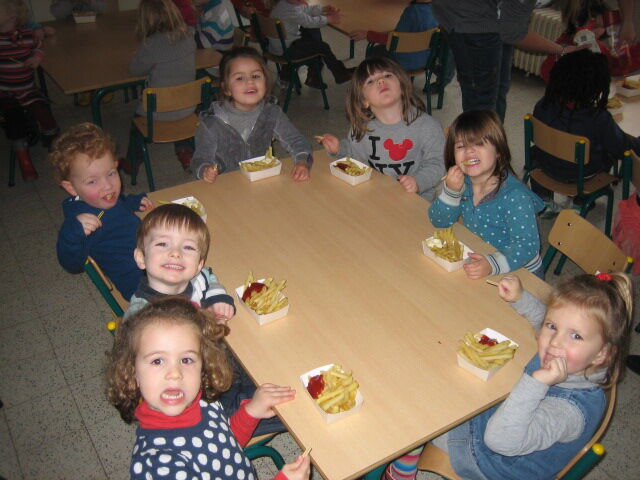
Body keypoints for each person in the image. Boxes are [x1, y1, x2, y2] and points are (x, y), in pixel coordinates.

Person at [385, 272, 633, 480]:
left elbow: (499, 441)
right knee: (441, 381)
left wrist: (536, 382)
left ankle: (401, 472)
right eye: (552, 327)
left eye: (575, 336)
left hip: (493, 462)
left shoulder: (568, 412)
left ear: (602, 354)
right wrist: (521, 298)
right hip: (504, 425)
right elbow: (546, 319)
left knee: (418, 408)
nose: (554, 342)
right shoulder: (580, 358)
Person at [106, 297, 311, 480]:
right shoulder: (159, 466)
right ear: (131, 375)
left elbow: (225, 445)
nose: (175, 373)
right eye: (157, 361)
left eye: (186, 360)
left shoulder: (201, 402)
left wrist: (250, 412)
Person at [428, 110, 544, 279]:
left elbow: (527, 246)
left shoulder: (515, 196)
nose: (469, 151)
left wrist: (491, 264)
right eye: (461, 146)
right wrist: (451, 192)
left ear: (498, 151)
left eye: (479, 144)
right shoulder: (463, 182)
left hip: (520, 273)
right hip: (481, 258)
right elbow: (439, 221)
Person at [430, 0, 582, 122]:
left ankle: (495, 144)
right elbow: (514, 34)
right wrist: (561, 50)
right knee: (481, 103)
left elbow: (511, 26)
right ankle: (480, 147)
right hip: (467, 18)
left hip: (492, 16)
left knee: (499, 90)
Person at [319, 56, 445, 202]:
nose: (381, 81)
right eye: (370, 81)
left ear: (402, 86)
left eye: (387, 75)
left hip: (416, 201)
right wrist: (338, 149)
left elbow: (438, 163)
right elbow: (354, 156)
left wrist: (418, 182)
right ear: (364, 100)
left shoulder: (427, 126)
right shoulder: (361, 129)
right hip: (376, 197)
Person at [52, 123, 154, 300]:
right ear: (71, 188)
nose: (108, 186)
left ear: (116, 165)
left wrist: (133, 202)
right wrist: (72, 233)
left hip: (151, 254)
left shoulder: (101, 199)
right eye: (92, 181)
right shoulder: (83, 223)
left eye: (111, 173)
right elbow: (71, 264)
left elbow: (119, 204)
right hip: (139, 283)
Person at [531, 49, 640, 212]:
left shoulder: (543, 104)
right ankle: (581, 202)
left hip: (543, 166)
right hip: (581, 177)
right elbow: (622, 148)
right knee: (608, 153)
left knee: (539, 150)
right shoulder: (598, 119)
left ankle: (543, 200)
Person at [192, 46, 313, 183]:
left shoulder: (271, 113)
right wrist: (204, 170)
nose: (250, 81)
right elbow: (199, 160)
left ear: (265, 82)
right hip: (226, 184)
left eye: (255, 76)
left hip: (262, 180)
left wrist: (302, 161)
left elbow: (296, 141)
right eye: (239, 78)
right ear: (226, 88)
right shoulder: (211, 124)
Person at [125, 203, 236, 321]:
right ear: (141, 258)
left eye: (188, 247)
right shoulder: (140, 317)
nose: (176, 253)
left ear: (199, 265)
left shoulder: (197, 279)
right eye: (162, 244)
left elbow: (208, 276)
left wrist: (217, 298)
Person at [129, 0, 197, 171]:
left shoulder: (150, 45)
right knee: (178, 106)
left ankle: (132, 162)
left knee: (136, 124)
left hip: (156, 112)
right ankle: (185, 150)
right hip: (188, 107)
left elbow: (135, 70)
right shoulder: (189, 37)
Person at [0, 0, 59, 180]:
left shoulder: (27, 35)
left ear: (12, 16)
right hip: (5, 91)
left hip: (27, 88)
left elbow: (39, 48)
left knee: (42, 109)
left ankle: (52, 140)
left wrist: (37, 58)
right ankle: (24, 160)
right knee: (13, 117)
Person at [349, 0, 453, 85]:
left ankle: (377, 84)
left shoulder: (412, 12)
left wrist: (368, 34)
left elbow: (395, 40)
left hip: (402, 62)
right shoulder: (440, 9)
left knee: (373, 50)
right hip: (427, 60)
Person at [540, 0, 640, 81]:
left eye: (602, 27)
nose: (600, 31)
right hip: (566, 96)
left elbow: (614, 66)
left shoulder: (597, 46)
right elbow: (546, 70)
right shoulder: (565, 44)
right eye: (596, 26)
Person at [269, 0, 353, 88]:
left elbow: (305, 10)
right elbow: (310, 22)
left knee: (312, 35)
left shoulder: (283, 4)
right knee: (322, 47)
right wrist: (329, 19)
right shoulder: (291, 10)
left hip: (280, 46)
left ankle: (313, 76)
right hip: (287, 51)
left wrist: (323, 9)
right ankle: (339, 73)